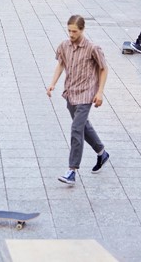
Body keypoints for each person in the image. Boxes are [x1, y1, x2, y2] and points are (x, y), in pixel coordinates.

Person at [46, 15, 110, 186]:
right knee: (83, 126)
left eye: (74, 31)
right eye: (69, 31)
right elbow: (61, 64)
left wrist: (100, 92)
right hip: (71, 93)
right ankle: (101, 152)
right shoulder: (64, 46)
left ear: (82, 30)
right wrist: (52, 83)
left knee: (76, 129)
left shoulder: (92, 48)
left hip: (86, 94)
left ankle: (72, 171)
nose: (71, 34)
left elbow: (104, 69)